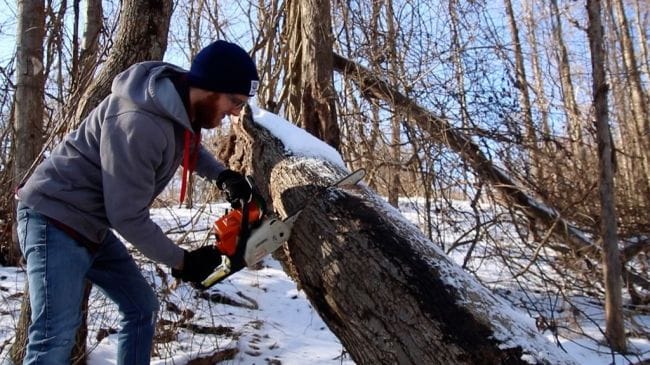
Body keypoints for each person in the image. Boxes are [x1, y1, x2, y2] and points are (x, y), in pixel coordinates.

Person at [15, 40, 260, 365]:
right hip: (52, 219)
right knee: (55, 336)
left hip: (89, 226)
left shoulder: (176, 105)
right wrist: (183, 261)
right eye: (233, 100)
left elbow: (186, 145)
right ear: (210, 88)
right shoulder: (139, 122)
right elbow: (127, 215)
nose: (234, 112)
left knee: (141, 308)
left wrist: (221, 175)